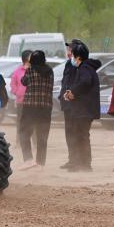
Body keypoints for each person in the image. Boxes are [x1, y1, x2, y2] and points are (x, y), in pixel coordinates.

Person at [61, 42, 101, 171]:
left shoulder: (84, 68)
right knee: (81, 135)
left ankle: (84, 164)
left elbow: (85, 81)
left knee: (81, 136)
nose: (71, 58)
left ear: (78, 57)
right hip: (83, 108)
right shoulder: (86, 67)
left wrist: (73, 92)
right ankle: (82, 163)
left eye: (73, 55)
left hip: (84, 109)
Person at [18, 50, 53, 169]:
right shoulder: (50, 71)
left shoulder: (30, 70)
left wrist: (28, 67)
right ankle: (40, 164)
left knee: (24, 132)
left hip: (30, 107)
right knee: (42, 136)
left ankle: (28, 159)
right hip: (46, 107)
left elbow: (23, 82)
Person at [58, 39, 81, 169]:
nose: (68, 52)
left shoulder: (78, 65)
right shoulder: (69, 64)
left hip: (74, 104)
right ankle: (71, 158)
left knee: (74, 132)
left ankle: (76, 160)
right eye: (68, 50)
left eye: (70, 50)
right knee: (69, 132)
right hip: (67, 104)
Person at [10, 49, 33, 147]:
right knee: (20, 123)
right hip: (21, 101)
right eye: (31, 56)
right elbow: (12, 84)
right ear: (25, 58)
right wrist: (18, 92)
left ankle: (35, 143)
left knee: (34, 122)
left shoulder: (35, 69)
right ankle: (19, 142)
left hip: (33, 101)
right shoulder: (17, 71)